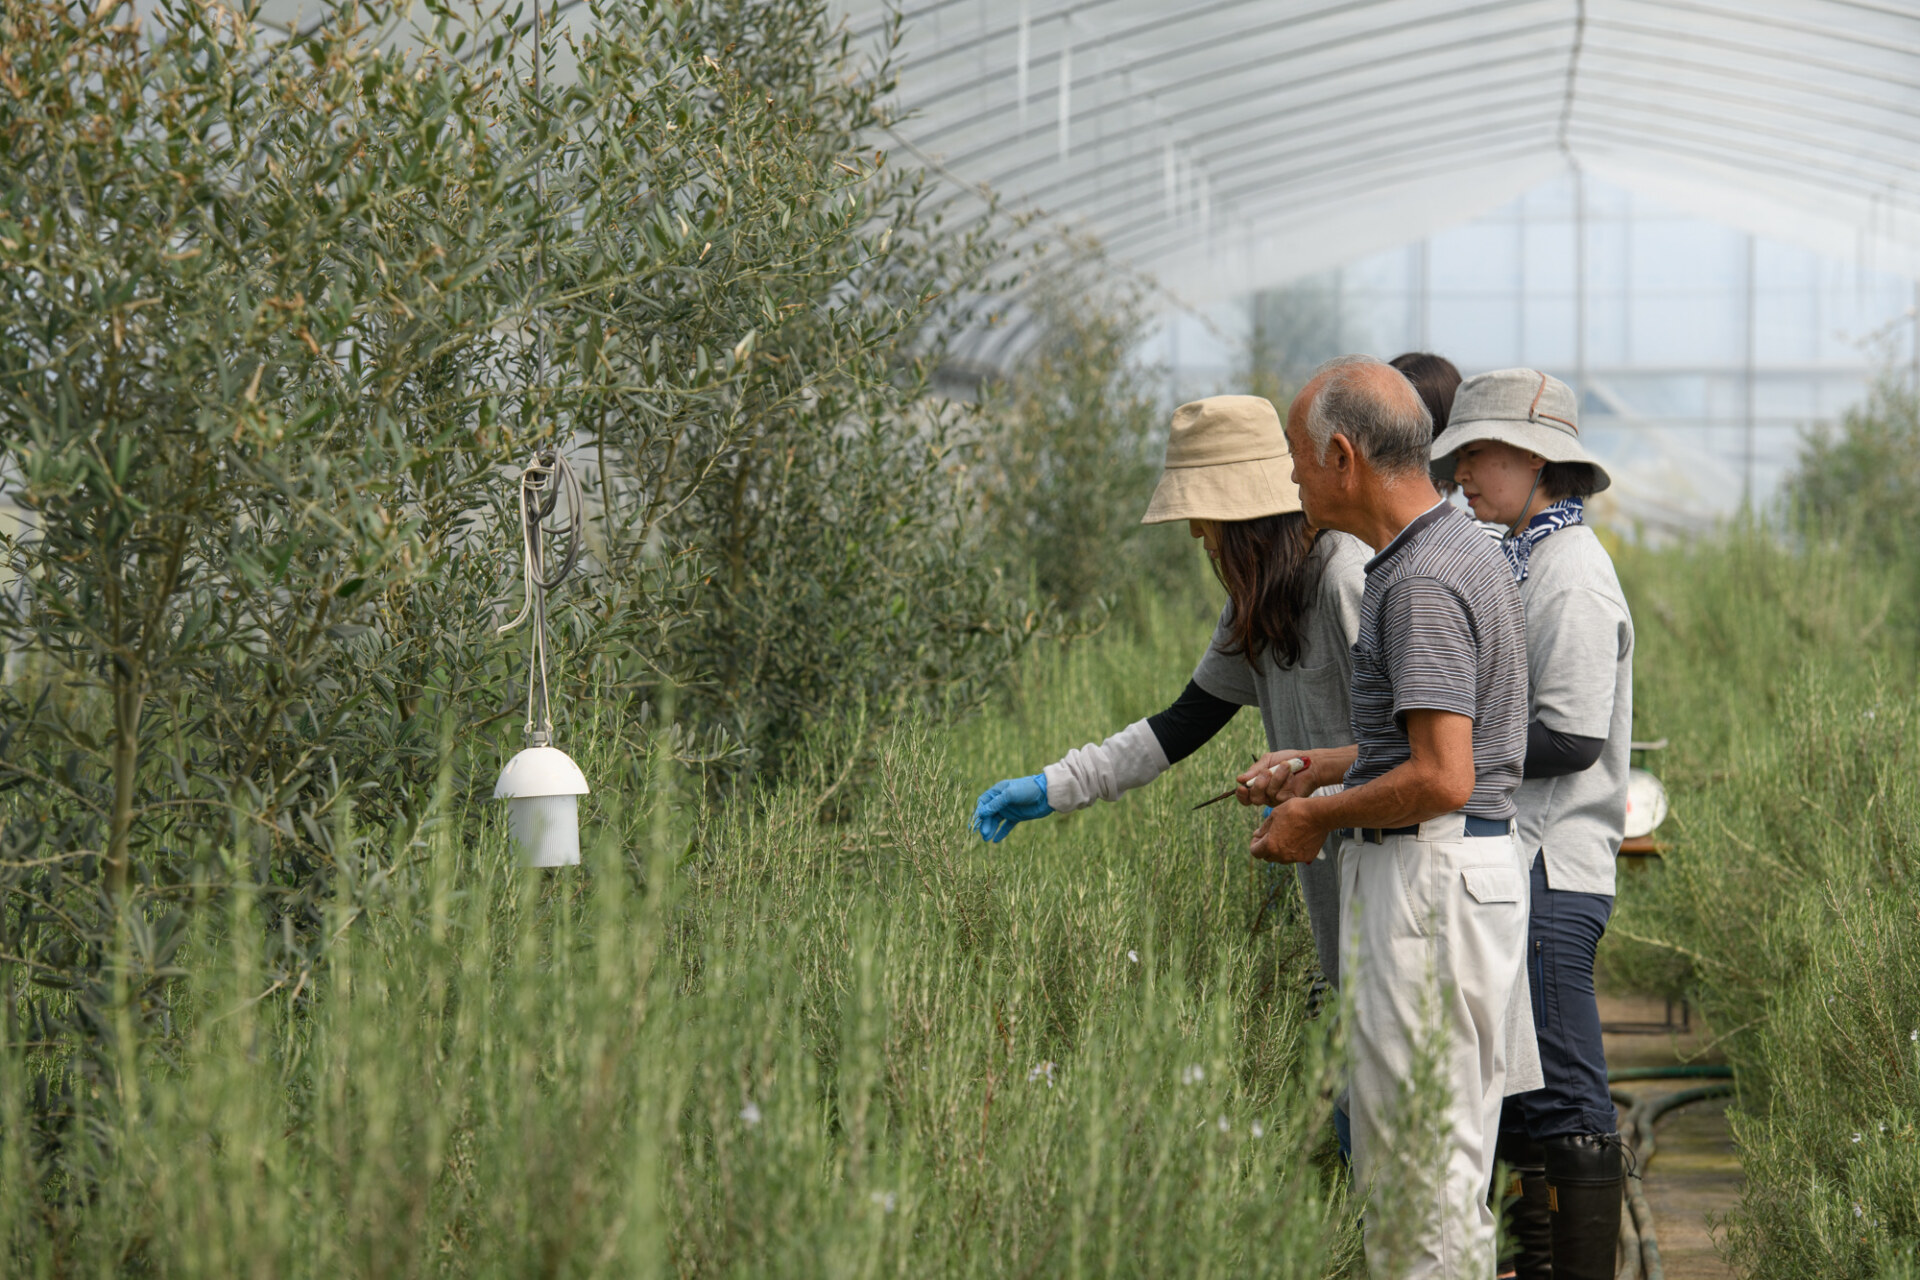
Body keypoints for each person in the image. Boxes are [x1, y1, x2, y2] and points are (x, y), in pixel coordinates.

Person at [1242, 355, 1534, 1278]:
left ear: (1340, 455)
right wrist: (1322, 766)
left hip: (1426, 885)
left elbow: (1444, 776)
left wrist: (1318, 818)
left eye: (1296, 457)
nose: (1290, 480)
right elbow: (1447, 748)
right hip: (1455, 876)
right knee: (1439, 1175)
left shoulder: (1415, 582)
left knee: (1416, 1193)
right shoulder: (1454, 550)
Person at [970, 393, 1368, 1003]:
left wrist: (1312, 786)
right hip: (1336, 888)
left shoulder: (1347, 578)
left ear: (1247, 518)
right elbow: (1185, 721)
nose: (1195, 533)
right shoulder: (1254, 601)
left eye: (1204, 515)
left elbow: (1416, 744)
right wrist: (1058, 786)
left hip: (1390, 878)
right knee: (1353, 1084)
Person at [1431, 370, 1634, 1280]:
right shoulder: (1527, 555)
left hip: (1555, 861)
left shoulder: (1571, 572)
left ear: (1535, 457)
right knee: (1522, 1089)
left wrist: (1454, 752)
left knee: (1565, 1087)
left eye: (1476, 453)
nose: (1464, 472)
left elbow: (1575, 734)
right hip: (1524, 858)